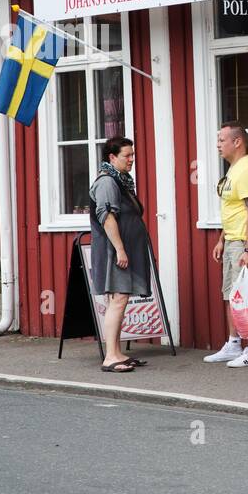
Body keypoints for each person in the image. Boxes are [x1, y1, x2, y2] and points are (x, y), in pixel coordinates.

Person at [203, 121, 248, 368]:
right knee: (232, 294)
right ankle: (234, 344)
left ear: (237, 142)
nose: (218, 145)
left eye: (222, 140)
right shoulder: (234, 169)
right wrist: (222, 239)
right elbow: (232, 208)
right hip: (233, 240)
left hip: (246, 241)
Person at [89, 137, 151, 374]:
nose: (132, 159)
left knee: (119, 299)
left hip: (121, 250)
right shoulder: (107, 182)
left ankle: (116, 351)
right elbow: (107, 217)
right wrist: (120, 249)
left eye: (133, 155)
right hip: (113, 252)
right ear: (112, 158)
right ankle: (110, 357)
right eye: (127, 155)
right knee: (118, 299)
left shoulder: (121, 181)